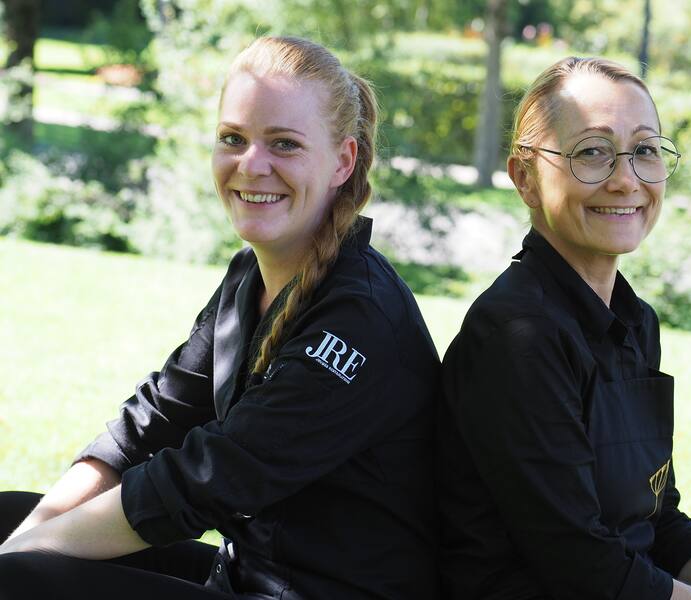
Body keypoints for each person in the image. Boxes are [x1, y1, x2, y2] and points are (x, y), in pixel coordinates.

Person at [0, 36, 439, 600]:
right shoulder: (248, 278)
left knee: (23, 579)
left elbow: (204, 482)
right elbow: (154, 419)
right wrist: (29, 535)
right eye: (233, 139)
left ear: (343, 161)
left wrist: (21, 558)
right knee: (12, 516)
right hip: (245, 576)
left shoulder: (361, 320)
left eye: (284, 144)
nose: (252, 165)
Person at [438, 57, 691, 600]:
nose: (626, 180)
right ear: (525, 178)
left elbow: (657, 519)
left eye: (645, 150)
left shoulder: (635, 321)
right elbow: (580, 565)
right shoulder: (515, 334)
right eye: (592, 152)